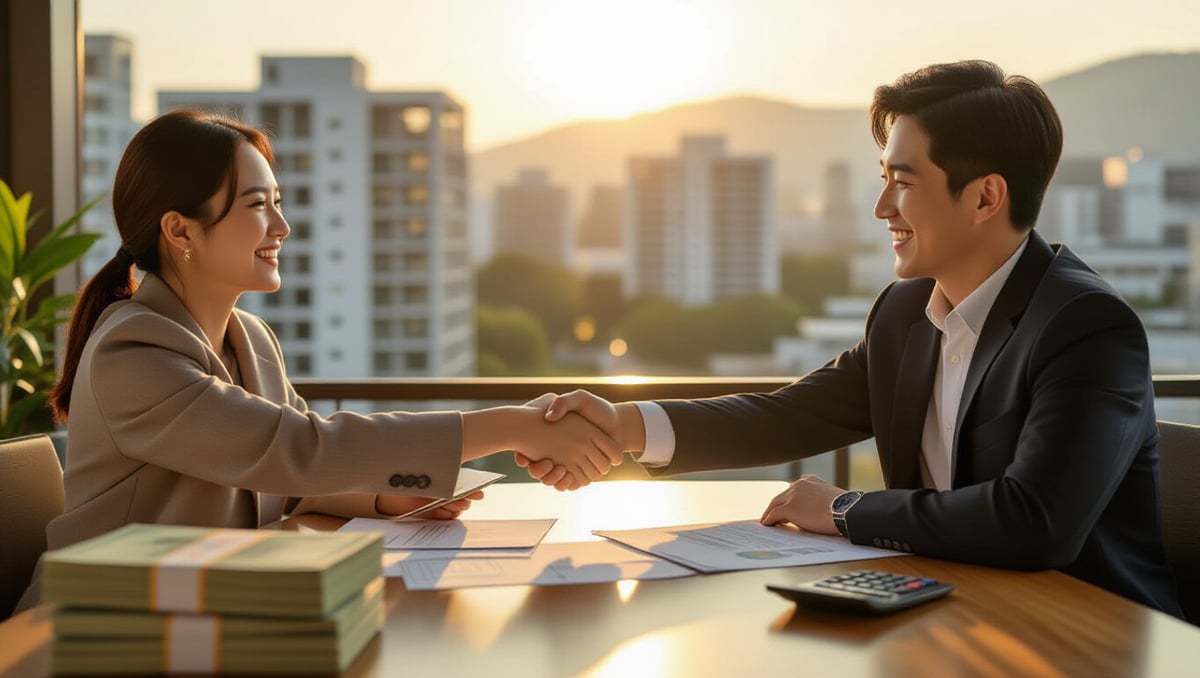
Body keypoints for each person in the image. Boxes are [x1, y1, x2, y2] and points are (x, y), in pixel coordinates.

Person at [520, 60, 1183, 617]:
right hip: (951, 617)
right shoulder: (903, 314)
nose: (882, 208)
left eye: (903, 182)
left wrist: (844, 509)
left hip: (1088, 634)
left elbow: (1033, 523)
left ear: (985, 198)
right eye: (882, 179)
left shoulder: (1086, 326)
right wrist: (623, 425)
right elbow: (787, 416)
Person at [15, 109, 620, 612]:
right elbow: (298, 450)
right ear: (181, 231)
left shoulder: (252, 340)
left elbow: (290, 488)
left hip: (205, 611)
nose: (281, 225)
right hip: (93, 630)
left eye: (277, 202)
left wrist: (385, 500)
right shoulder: (132, 351)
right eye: (257, 206)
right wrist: (511, 425)